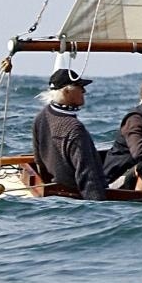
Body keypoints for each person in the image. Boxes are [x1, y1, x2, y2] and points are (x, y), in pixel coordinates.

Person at [31, 67, 111, 200]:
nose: (84, 91)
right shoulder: (74, 128)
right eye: (80, 87)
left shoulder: (41, 117)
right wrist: (99, 207)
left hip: (57, 196)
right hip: (76, 198)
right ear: (66, 91)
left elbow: (39, 162)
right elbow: (87, 177)